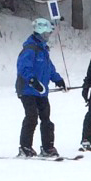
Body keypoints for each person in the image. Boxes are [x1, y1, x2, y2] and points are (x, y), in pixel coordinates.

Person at [15, 20, 67, 157]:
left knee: (46, 118)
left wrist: (58, 80)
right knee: (32, 117)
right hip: (27, 90)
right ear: (40, 33)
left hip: (41, 92)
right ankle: (25, 147)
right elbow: (23, 68)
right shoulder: (30, 49)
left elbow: (49, 68)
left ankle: (47, 147)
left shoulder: (43, 50)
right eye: (46, 34)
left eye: (49, 34)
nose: (48, 36)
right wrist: (33, 81)